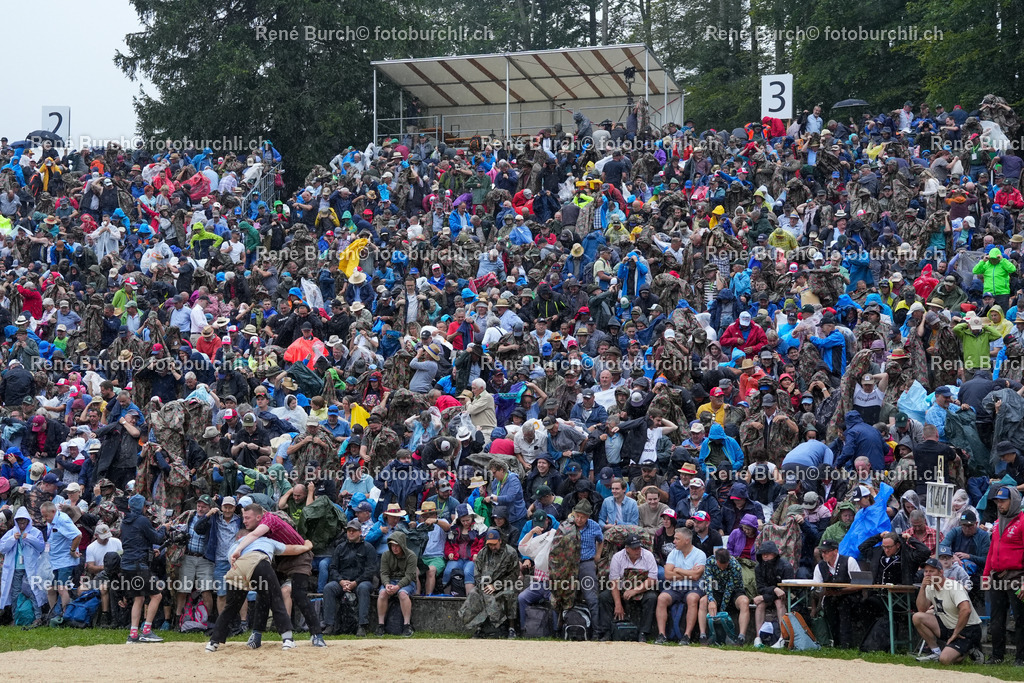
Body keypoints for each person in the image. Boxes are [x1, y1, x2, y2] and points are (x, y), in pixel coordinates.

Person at [912, 558, 984, 664]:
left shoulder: (953, 586)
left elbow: (966, 610)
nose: (928, 574)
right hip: (948, 626)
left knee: (945, 660)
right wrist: (922, 587)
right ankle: (936, 652)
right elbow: (922, 609)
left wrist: (956, 633)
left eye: (932, 571)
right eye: (926, 571)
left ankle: (971, 649)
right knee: (917, 617)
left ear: (941, 572)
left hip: (968, 629)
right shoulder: (929, 587)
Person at [117, 494, 168, 643]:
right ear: (141, 507)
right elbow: (157, 538)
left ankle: (133, 635)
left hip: (126, 565)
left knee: (138, 598)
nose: (147, 508)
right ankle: (146, 631)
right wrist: (164, 528)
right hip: (139, 565)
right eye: (146, 506)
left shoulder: (124, 522)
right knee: (157, 595)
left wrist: (149, 550)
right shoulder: (142, 520)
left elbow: (135, 541)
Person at [985, 486, 1024, 664]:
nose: (999, 505)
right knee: (996, 620)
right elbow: (991, 550)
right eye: (997, 501)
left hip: (1018, 577)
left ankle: (1021, 658)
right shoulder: (997, 522)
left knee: (1020, 619)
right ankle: (997, 656)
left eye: (1003, 501)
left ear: (1014, 500)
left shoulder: (1023, 521)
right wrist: (986, 575)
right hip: (997, 577)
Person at [459, 527, 520, 638]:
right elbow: (477, 572)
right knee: (474, 594)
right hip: (485, 585)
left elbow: (514, 575)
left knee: (510, 594)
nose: (492, 547)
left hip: (504, 584)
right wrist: (484, 586)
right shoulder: (483, 553)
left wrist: (496, 586)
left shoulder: (510, 553)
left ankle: (511, 628)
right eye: (490, 544)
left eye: (494, 544)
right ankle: (479, 627)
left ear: (500, 541)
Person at [598, 532, 657, 641]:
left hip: (641, 589)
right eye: (634, 548)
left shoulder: (648, 555)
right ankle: (606, 632)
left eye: (639, 547)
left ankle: (643, 633)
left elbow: (652, 579)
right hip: (621, 588)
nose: (638, 550)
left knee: (651, 598)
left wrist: (635, 591)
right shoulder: (617, 557)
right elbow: (614, 582)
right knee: (604, 597)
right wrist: (618, 604)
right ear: (627, 549)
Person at [321, 519, 376, 636]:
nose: (351, 533)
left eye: (354, 531)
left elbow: (371, 570)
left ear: (360, 532)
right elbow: (333, 568)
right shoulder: (340, 548)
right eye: (349, 531)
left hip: (361, 581)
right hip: (343, 581)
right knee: (328, 588)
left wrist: (356, 582)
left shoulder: (369, 548)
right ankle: (329, 625)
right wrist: (341, 581)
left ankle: (362, 626)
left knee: (363, 588)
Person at [654, 527, 706, 645]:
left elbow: (696, 577)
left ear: (687, 540)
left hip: (694, 587)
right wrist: (688, 572)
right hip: (675, 587)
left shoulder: (700, 554)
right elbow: (667, 575)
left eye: (677, 539)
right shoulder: (673, 552)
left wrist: (677, 570)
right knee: (662, 598)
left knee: (692, 598)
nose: (674, 541)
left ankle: (687, 636)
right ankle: (662, 635)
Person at [0, 506, 46, 627]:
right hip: (15, 568)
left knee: (33, 592)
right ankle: (16, 618)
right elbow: (2, 548)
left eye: (24, 521)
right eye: (19, 521)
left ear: (28, 521)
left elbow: (41, 547)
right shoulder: (11, 533)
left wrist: (29, 538)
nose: (22, 524)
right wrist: (12, 539)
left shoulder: (36, 532)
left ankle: (38, 617)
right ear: (16, 521)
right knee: (15, 594)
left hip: (31, 568)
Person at [697, 548, 751, 645]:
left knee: (744, 602)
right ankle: (703, 636)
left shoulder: (735, 566)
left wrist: (721, 612)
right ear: (716, 561)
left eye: (725, 566)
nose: (722, 568)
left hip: (734, 591)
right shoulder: (710, 561)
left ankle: (741, 638)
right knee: (702, 601)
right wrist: (711, 600)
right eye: (720, 566)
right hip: (716, 590)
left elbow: (729, 589)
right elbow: (708, 582)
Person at [376, 531, 417, 637]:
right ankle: (380, 625)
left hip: (406, 582)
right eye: (392, 545)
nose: (395, 548)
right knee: (382, 594)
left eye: (397, 545)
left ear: (402, 544)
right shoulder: (385, 555)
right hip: (390, 581)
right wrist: (386, 584)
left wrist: (398, 586)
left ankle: (406, 625)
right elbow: (384, 573)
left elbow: (409, 576)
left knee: (403, 594)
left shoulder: (411, 556)